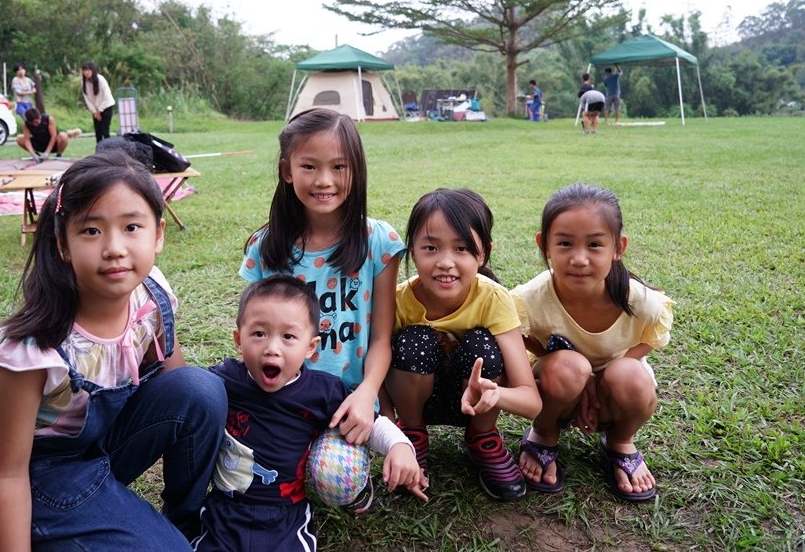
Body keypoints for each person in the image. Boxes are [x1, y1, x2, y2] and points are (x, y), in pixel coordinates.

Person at [0, 150, 228, 548]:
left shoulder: (151, 293)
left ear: (159, 234)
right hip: (44, 471)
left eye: (132, 227)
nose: (114, 247)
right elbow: (6, 475)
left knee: (201, 389)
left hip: (105, 444)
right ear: (63, 244)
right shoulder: (33, 349)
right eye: (92, 231)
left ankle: (183, 521)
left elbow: (179, 384)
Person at [240, 108, 404, 502]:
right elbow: (255, 337)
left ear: (356, 170)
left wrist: (367, 395)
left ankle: (351, 464)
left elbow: (382, 338)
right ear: (287, 170)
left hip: (346, 402)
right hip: (281, 395)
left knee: (335, 482)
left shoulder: (378, 242)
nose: (324, 181)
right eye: (309, 166)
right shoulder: (266, 249)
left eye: (338, 167)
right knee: (247, 471)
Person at [191, 276, 426, 551]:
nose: (272, 348)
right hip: (224, 509)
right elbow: (189, 399)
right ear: (238, 340)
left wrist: (400, 446)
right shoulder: (225, 379)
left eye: (288, 337)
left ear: (310, 347)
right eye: (258, 334)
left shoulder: (322, 392)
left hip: (286, 515)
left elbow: (368, 422)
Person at [511, 183, 673, 502]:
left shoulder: (642, 302)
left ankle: (620, 441)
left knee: (633, 376)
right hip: (557, 384)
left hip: (611, 388)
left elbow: (653, 338)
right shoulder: (528, 299)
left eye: (595, 244)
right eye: (565, 243)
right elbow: (517, 338)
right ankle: (544, 432)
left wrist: (599, 378)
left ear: (618, 247)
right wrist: (576, 374)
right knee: (570, 368)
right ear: (544, 245)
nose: (580, 259)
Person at [386, 188, 542, 501]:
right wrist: (393, 438)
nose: (445, 262)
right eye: (430, 247)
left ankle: (483, 439)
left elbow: (532, 401)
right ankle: (413, 438)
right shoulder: (398, 301)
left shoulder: (495, 299)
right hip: (415, 402)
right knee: (413, 340)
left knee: (482, 345)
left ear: (483, 253)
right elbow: (375, 370)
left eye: (461, 249)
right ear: (412, 252)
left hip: (476, 404)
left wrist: (495, 394)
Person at [81, 60, 115, 145]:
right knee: (98, 132)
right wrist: (94, 112)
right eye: (85, 70)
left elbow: (107, 96)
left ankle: (110, 151)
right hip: (95, 110)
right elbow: (87, 99)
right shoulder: (84, 82)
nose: (87, 72)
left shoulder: (101, 79)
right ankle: (99, 152)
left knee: (105, 130)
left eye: (89, 70)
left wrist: (99, 110)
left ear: (93, 70)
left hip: (106, 106)